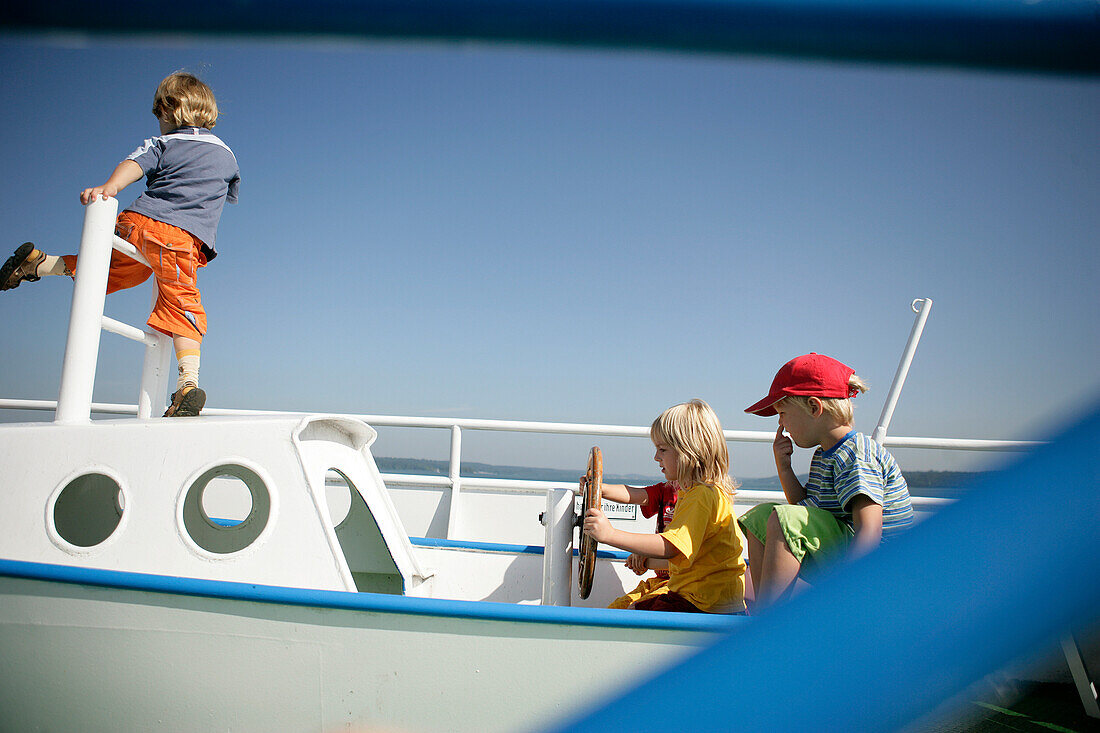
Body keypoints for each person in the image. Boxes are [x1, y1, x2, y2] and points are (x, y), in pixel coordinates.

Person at [0, 71, 240, 417]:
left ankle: (38, 263)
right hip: (176, 239)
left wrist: (109, 188)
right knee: (182, 304)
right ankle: (188, 383)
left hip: (136, 224)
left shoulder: (165, 143)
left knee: (111, 271)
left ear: (170, 110)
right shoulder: (228, 157)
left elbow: (135, 164)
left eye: (160, 116)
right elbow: (223, 197)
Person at [739, 353, 913, 610]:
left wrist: (845, 594)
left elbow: (869, 530)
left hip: (880, 567)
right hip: (843, 550)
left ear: (813, 407)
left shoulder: (856, 453)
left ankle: (769, 624)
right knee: (760, 518)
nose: (781, 425)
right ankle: (763, 611)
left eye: (783, 413)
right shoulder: (824, 454)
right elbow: (803, 508)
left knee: (785, 518)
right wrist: (784, 466)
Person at [583, 399, 746, 614]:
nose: (656, 457)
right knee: (623, 610)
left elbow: (672, 547)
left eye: (662, 449)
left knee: (625, 618)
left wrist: (609, 534)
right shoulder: (700, 492)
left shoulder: (702, 496)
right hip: (702, 598)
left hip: (702, 603)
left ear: (689, 451)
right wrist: (597, 489)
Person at [598, 479, 677, 609]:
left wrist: (645, 559)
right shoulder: (666, 490)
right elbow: (634, 494)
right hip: (660, 582)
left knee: (634, 612)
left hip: (682, 585)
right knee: (614, 611)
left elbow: (687, 561)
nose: (657, 458)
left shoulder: (696, 500)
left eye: (666, 456)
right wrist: (599, 488)